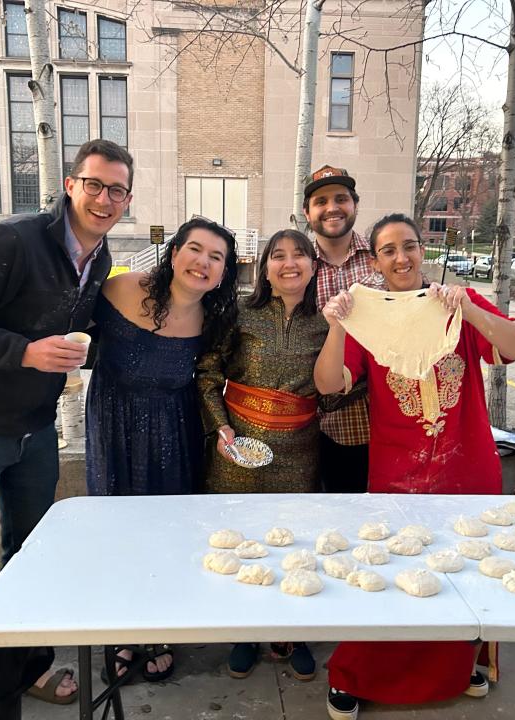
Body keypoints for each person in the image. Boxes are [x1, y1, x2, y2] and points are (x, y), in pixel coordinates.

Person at [0, 138, 134, 704]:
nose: (104, 198)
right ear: (70, 186)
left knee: (29, 551)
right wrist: (23, 352)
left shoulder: (102, 259)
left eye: (117, 189)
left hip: (35, 430)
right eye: (94, 184)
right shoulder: (11, 240)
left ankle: (25, 666)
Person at [314, 214, 515, 719]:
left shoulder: (455, 304)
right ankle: (355, 676)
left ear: (422, 250)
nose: (401, 258)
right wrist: (336, 325)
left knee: (465, 577)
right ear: (376, 260)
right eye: (388, 250)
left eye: (409, 246)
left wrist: (471, 311)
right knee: (391, 577)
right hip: (397, 476)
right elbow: (329, 384)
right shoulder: (367, 314)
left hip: (468, 469)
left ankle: (457, 669)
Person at [85, 216, 238, 682]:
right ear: (174, 253)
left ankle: (160, 627)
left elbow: (217, 376)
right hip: (116, 425)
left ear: (223, 272)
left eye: (216, 257)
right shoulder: (118, 288)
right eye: (195, 249)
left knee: (169, 532)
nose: (202, 262)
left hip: (175, 429)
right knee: (118, 530)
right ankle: (121, 630)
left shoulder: (214, 318)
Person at [196, 229, 328, 680]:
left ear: (314, 266)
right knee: (241, 538)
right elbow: (208, 372)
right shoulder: (239, 315)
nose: (289, 263)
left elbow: (342, 385)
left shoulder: (329, 323)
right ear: (265, 267)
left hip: (300, 450)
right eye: (278, 256)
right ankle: (245, 630)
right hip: (238, 447)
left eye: (299, 255)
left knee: (294, 542)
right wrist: (221, 427)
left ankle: (292, 630)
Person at [304, 165, 381, 494]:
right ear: (308, 213)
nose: (332, 207)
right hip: (325, 428)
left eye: (341, 198)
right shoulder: (298, 267)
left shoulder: (382, 257)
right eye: (320, 201)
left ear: (355, 204)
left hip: (391, 421)